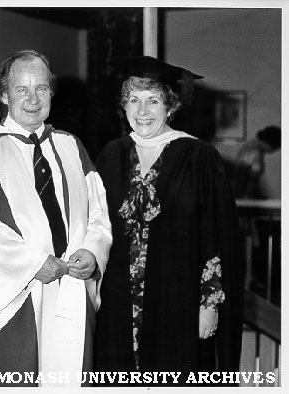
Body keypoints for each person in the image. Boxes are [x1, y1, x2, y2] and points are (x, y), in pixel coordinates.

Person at [0, 49, 112, 387]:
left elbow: (98, 212)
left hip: (70, 290)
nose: (33, 99)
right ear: (3, 94)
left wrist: (93, 251)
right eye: (21, 89)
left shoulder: (72, 147)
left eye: (41, 88)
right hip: (13, 300)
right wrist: (32, 263)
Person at [95, 56, 243, 385]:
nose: (142, 111)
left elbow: (213, 236)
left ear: (170, 104)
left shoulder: (198, 155)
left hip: (178, 300)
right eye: (133, 100)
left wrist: (210, 304)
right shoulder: (111, 155)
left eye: (153, 100)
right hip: (118, 303)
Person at [232, 125, 281, 198]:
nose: (274, 151)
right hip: (244, 196)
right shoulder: (253, 151)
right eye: (275, 148)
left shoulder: (254, 147)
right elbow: (250, 175)